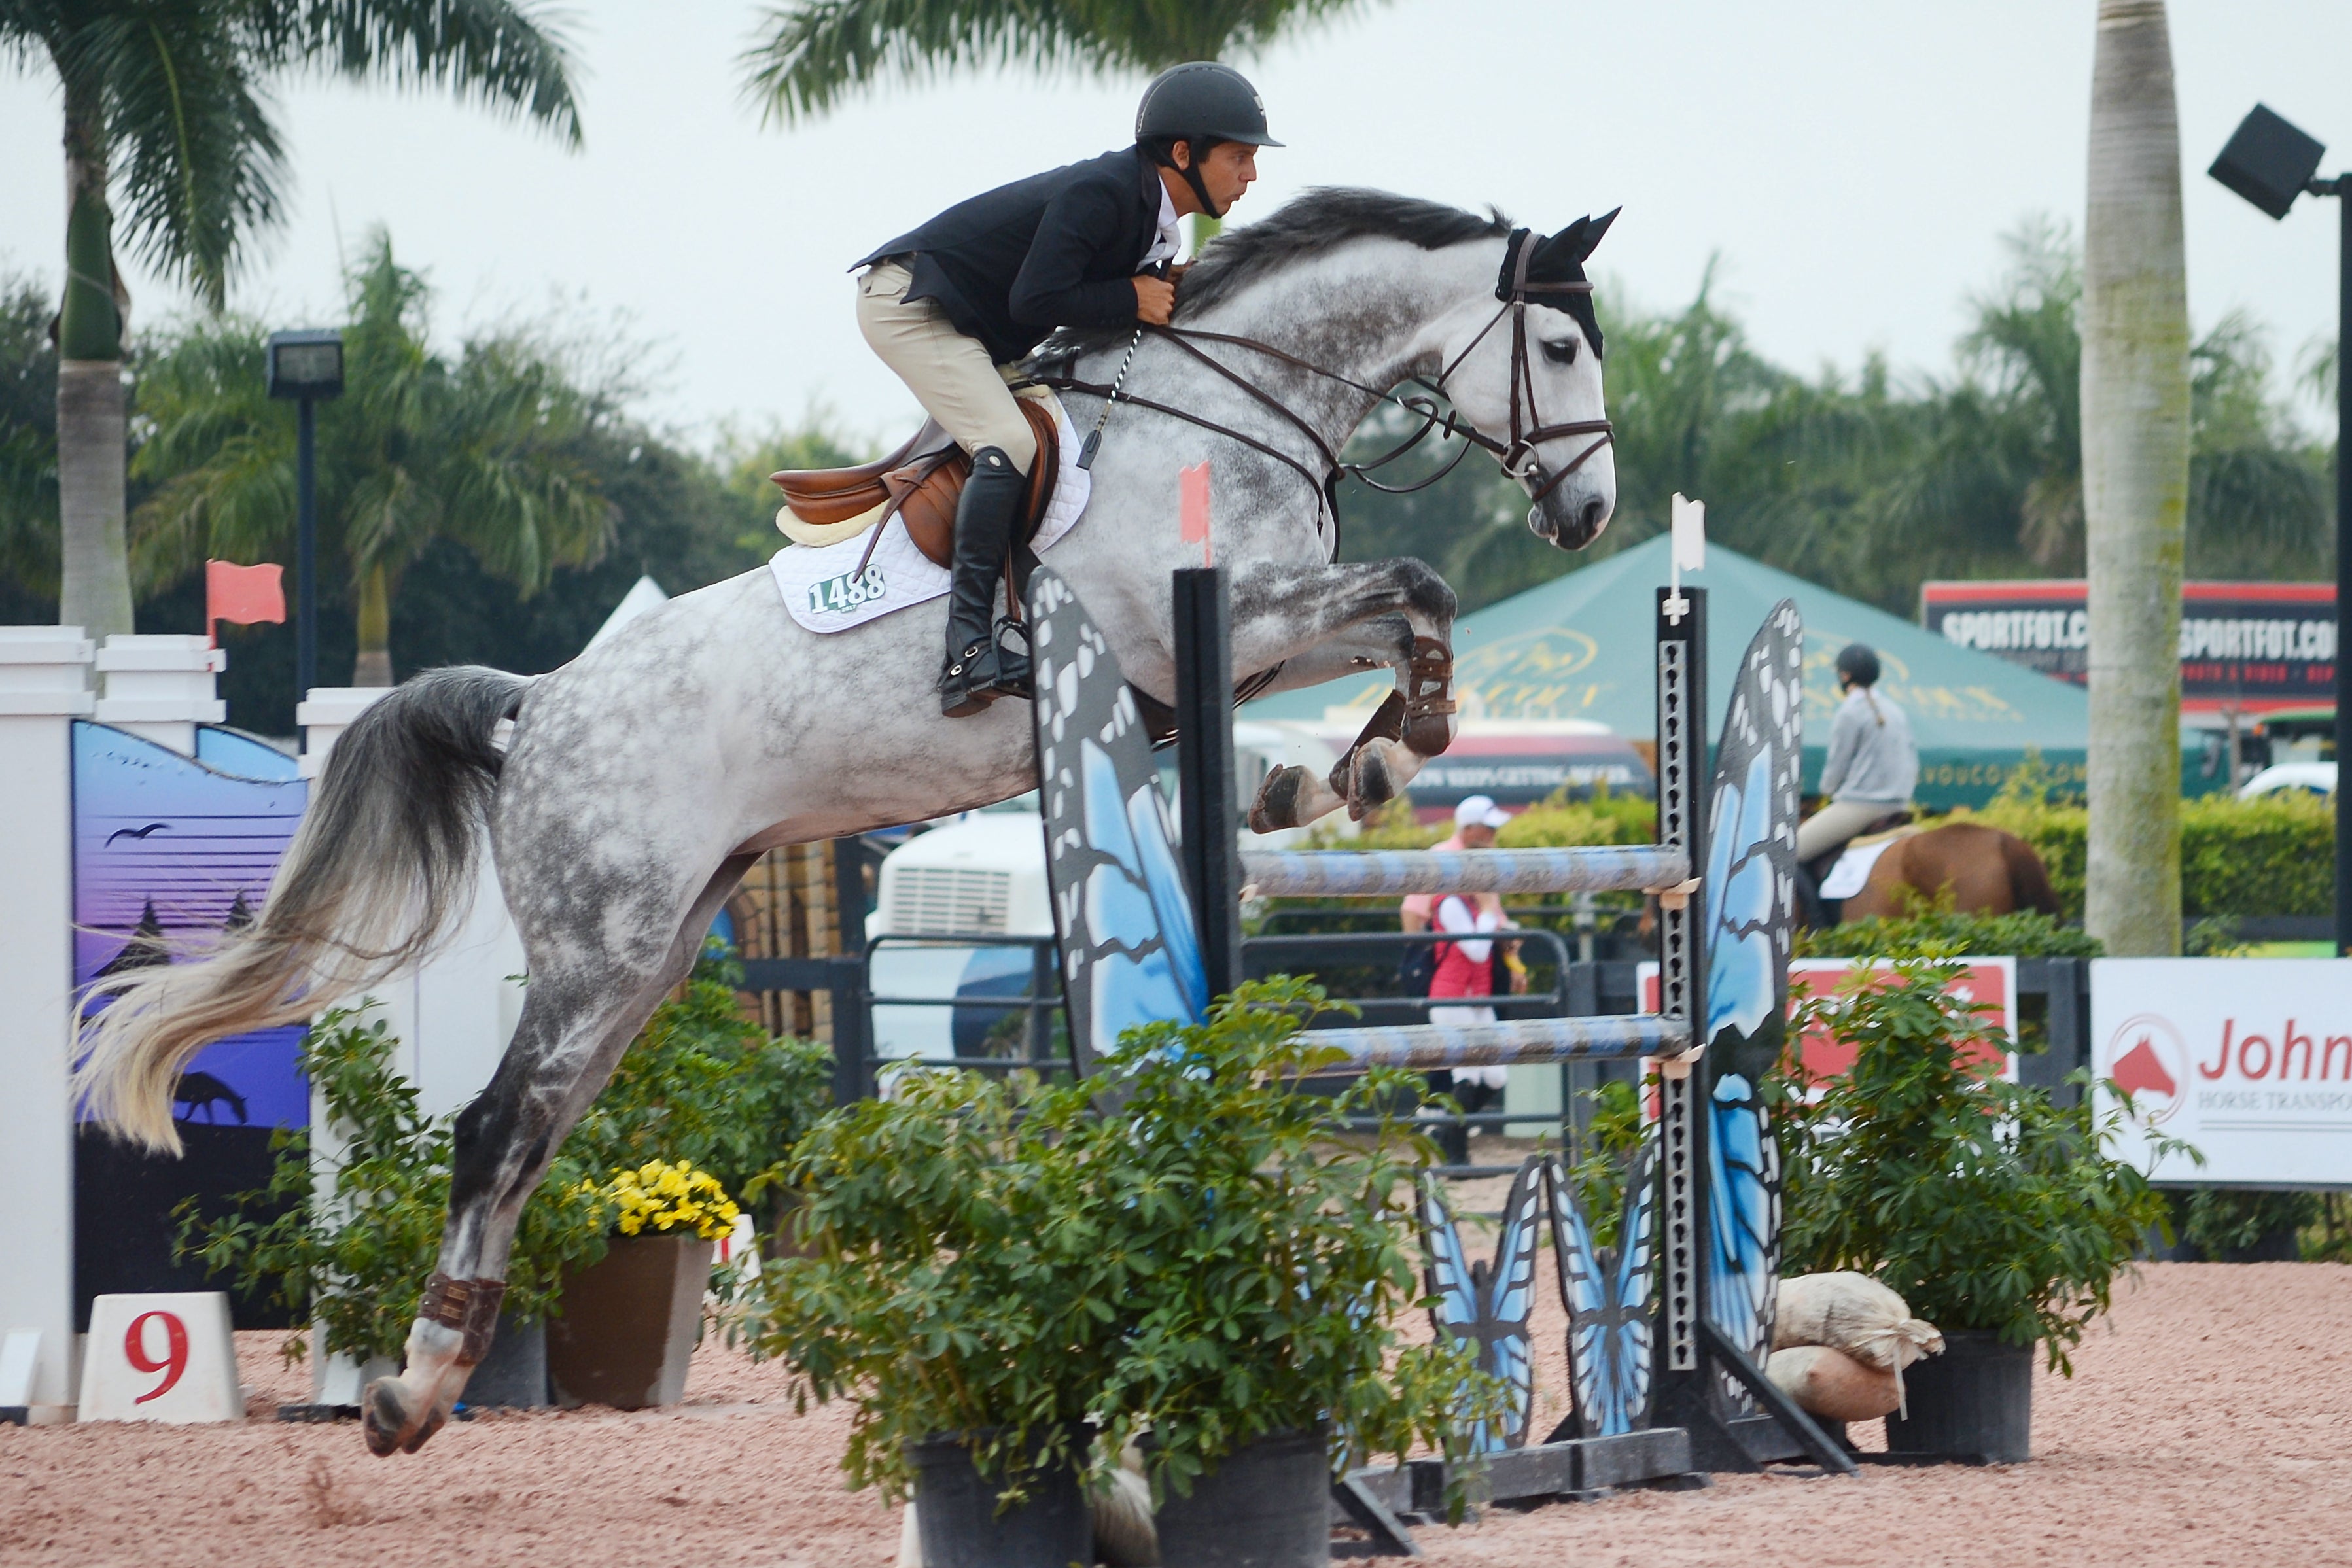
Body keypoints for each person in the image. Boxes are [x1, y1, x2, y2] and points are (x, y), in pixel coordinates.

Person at [850, 61, 1278, 718]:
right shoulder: (1104, 192)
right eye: (1240, 157)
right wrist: (1129, 296)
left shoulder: (1151, 216)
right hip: (911, 305)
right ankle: (967, 651)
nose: (1250, 175)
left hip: (970, 324)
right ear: (1182, 154)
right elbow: (1035, 300)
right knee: (1009, 440)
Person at [1403, 796, 1520, 1157]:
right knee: (1465, 1071)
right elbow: (1476, 946)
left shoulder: (1474, 891)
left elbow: (1490, 928)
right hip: (1453, 988)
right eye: (1489, 828)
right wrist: (1487, 910)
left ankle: (1447, 1132)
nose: (1494, 835)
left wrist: (1509, 951)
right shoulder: (1451, 892)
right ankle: (1455, 1150)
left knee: (1491, 1075)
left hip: (1477, 990)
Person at [1797, 642, 1918, 864]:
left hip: (1860, 806)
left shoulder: (1849, 712)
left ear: (1845, 675)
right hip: (1900, 805)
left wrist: (1826, 790)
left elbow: (1836, 767)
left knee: (1791, 853)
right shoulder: (1896, 711)